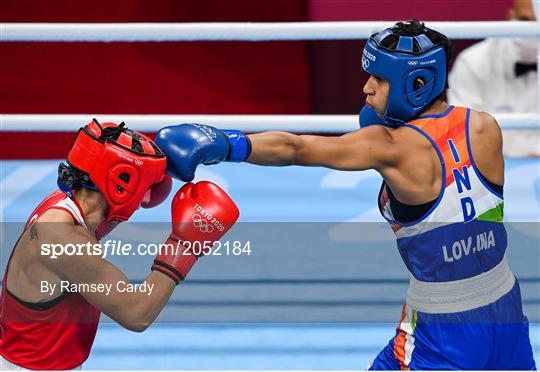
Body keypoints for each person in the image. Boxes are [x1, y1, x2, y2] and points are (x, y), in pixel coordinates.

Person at [156, 20, 536, 370]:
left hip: (444, 325)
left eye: (378, 78)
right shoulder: (485, 126)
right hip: (506, 304)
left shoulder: (391, 146)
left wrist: (226, 144)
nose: (366, 88)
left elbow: (296, 148)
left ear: (414, 83)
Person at [0, 119, 239, 370]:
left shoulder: (70, 202)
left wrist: (162, 166)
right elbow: (137, 313)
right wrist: (184, 246)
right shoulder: (62, 239)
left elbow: (112, 196)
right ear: (119, 183)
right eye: (145, 186)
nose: (148, 197)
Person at [448, 0, 538, 157]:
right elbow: (464, 136)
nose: (533, 28)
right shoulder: (473, 62)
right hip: (489, 170)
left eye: (538, 21)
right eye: (525, 20)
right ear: (511, 17)